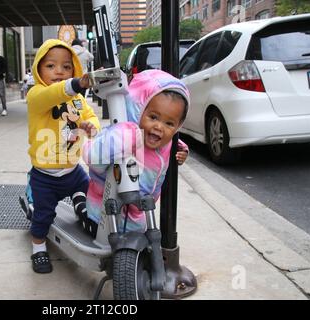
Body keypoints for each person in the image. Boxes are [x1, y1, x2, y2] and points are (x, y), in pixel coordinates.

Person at [82, 69, 190, 236]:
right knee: (108, 247)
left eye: (169, 123)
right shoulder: (123, 133)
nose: (159, 127)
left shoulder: (167, 142)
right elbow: (92, 156)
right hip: (104, 212)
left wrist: (183, 152)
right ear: (137, 111)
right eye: (153, 117)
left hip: (138, 212)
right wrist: (122, 138)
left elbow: (176, 144)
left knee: (134, 244)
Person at [26, 39, 100, 273]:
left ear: (74, 68)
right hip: (45, 176)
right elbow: (53, 95)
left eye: (66, 66)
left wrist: (90, 126)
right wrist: (76, 83)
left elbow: (91, 116)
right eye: (50, 66)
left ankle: (79, 198)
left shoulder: (77, 100)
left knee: (94, 198)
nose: (59, 71)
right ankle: (38, 248)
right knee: (43, 217)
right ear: (38, 69)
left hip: (73, 170)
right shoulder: (36, 94)